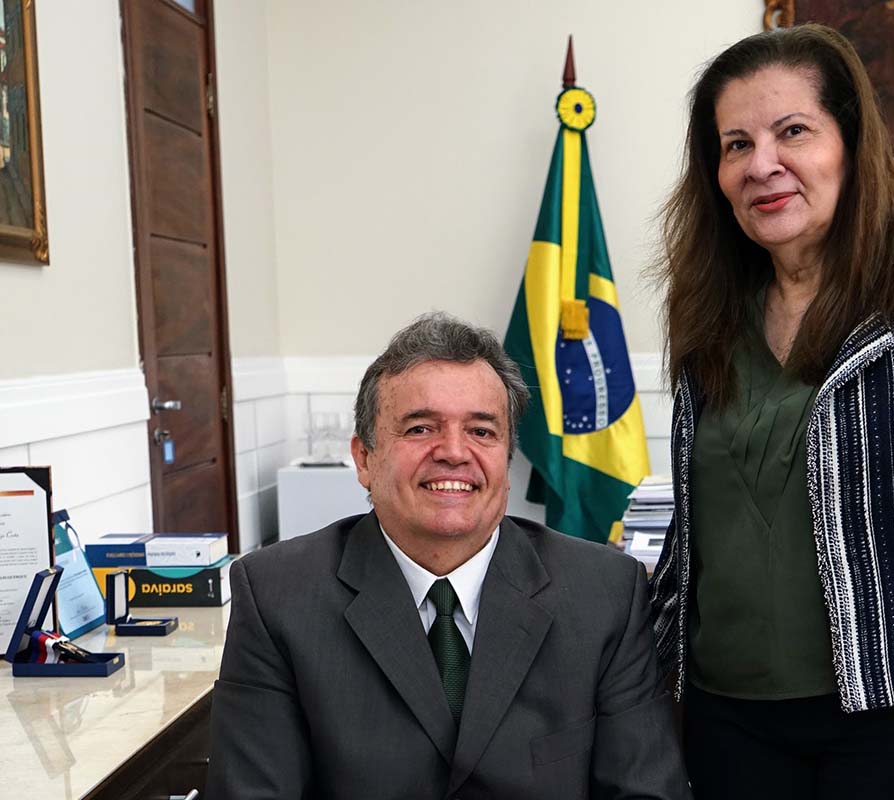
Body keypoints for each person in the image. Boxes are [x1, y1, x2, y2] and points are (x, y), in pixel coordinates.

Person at [649, 24, 894, 800]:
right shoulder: (709, 309)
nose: (762, 164)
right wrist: (645, 687)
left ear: (850, 143)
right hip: (722, 721)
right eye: (735, 145)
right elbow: (697, 534)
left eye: (793, 131)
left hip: (889, 719)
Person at [208, 313, 690, 800]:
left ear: (506, 457)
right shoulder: (276, 597)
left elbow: (646, 792)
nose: (454, 452)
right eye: (420, 428)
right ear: (364, 459)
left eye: (482, 432)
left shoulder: (604, 593)